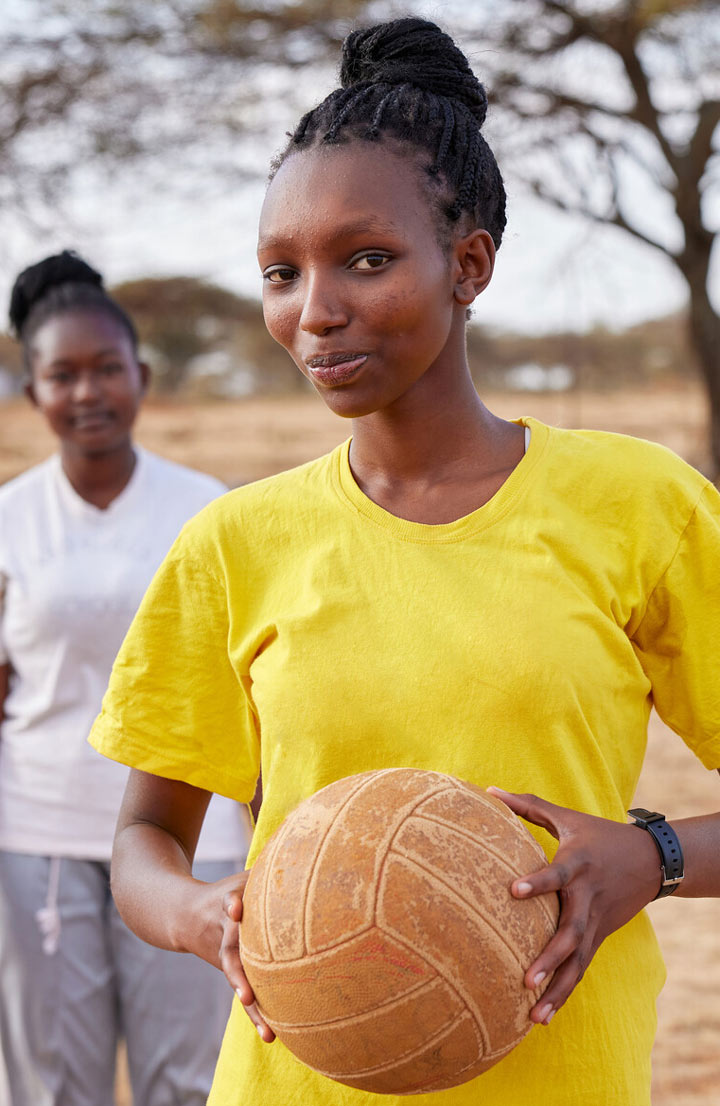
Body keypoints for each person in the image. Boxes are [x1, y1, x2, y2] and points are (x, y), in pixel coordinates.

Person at [89, 17, 720, 1106]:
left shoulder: (637, 505)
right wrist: (204, 912)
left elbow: (660, 846)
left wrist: (648, 855)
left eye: (366, 259)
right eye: (281, 272)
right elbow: (145, 838)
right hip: (293, 1080)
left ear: (468, 263)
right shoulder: (235, 544)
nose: (315, 311)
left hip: (562, 1077)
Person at [0, 251, 253, 1106]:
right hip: (38, 839)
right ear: (31, 391)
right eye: (61, 375)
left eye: (106, 369)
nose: (87, 392)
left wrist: (271, 835)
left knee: (187, 1082)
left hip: (191, 847)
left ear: (141, 377)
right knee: (52, 1083)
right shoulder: (9, 521)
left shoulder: (208, 512)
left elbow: (252, 692)